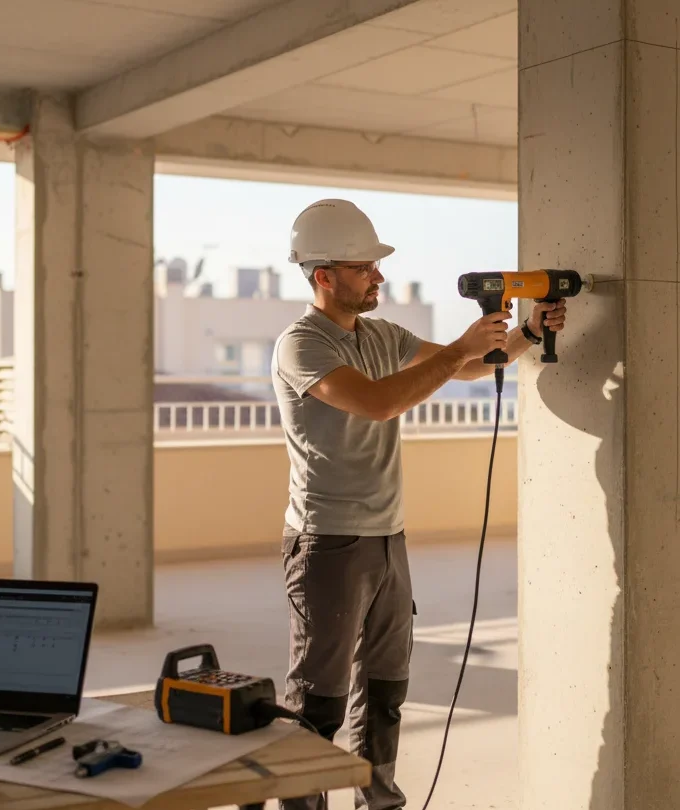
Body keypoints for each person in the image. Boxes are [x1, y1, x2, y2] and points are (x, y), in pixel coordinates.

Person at [270, 199, 568, 810]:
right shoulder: (300, 345)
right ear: (324, 276)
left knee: (384, 691)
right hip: (326, 542)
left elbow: (465, 365)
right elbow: (380, 402)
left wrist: (528, 333)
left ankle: (378, 803)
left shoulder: (382, 334)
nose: (378, 277)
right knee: (319, 702)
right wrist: (459, 350)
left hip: (387, 538)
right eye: (364, 268)